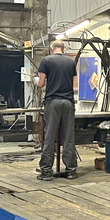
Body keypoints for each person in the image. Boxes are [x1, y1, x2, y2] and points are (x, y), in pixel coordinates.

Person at [34, 40, 78, 181]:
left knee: (50, 137)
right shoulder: (71, 62)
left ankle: (46, 171)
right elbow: (74, 84)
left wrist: (36, 80)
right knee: (68, 138)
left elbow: (41, 84)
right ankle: (71, 171)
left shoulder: (46, 61)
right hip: (68, 102)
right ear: (63, 49)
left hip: (53, 102)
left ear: (51, 49)